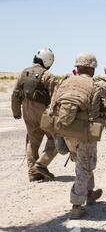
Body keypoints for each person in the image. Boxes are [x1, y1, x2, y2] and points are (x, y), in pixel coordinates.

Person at [50, 53, 106, 219]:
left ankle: (89, 194)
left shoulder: (65, 81)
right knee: (85, 167)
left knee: (84, 163)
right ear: (92, 68)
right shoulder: (94, 84)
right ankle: (76, 205)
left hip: (65, 131)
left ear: (77, 67)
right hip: (84, 133)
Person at [11, 48, 58, 182]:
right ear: (48, 61)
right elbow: (55, 96)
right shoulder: (48, 75)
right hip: (43, 112)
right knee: (55, 140)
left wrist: (16, 112)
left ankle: (33, 172)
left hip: (27, 111)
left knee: (32, 142)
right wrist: (54, 113)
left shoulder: (24, 73)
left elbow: (15, 94)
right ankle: (41, 164)